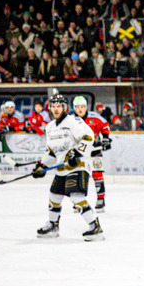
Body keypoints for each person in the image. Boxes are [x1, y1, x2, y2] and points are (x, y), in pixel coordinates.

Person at [31, 94, 104, 242]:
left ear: (65, 108)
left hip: (78, 165)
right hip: (62, 168)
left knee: (76, 196)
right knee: (54, 196)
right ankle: (53, 225)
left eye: (59, 106)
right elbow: (51, 151)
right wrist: (42, 166)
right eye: (53, 106)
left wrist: (77, 153)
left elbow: (88, 136)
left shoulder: (73, 121)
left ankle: (95, 227)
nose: (56, 109)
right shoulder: (50, 127)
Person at [72, 97, 111, 212]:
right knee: (78, 175)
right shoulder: (70, 120)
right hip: (79, 151)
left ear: (86, 107)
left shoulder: (95, 117)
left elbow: (105, 126)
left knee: (97, 173)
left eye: (82, 107)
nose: (80, 109)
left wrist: (106, 138)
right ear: (74, 108)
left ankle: (100, 199)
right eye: (78, 107)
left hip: (95, 149)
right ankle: (79, 201)